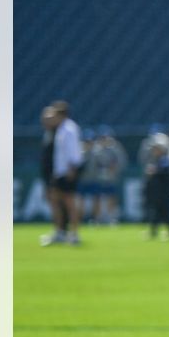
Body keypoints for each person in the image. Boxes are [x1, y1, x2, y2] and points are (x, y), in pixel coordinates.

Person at [46, 101, 85, 245]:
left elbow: (73, 151)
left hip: (67, 171)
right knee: (56, 200)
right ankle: (60, 232)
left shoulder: (69, 129)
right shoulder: (61, 128)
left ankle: (74, 234)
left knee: (70, 203)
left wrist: (72, 169)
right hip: (60, 171)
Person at [38, 106, 71, 245]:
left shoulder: (60, 132)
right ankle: (60, 231)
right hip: (49, 174)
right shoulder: (49, 133)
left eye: (49, 118)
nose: (46, 120)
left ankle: (61, 231)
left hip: (56, 174)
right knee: (55, 203)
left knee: (59, 203)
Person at [139, 124, 169, 239]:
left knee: (165, 212)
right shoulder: (155, 160)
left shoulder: (165, 160)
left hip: (164, 192)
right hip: (156, 192)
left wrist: (155, 171)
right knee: (154, 212)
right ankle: (153, 231)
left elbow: (165, 172)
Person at [89, 125, 127, 224]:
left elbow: (121, 162)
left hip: (111, 177)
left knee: (111, 196)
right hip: (98, 177)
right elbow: (92, 164)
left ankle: (111, 217)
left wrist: (114, 170)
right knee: (97, 197)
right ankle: (96, 218)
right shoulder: (96, 149)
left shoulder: (115, 148)